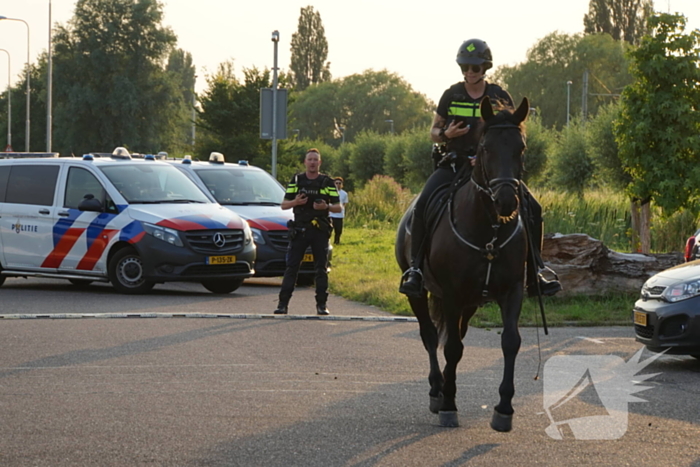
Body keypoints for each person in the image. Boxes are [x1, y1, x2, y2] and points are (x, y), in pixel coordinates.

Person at [399, 38, 562, 299]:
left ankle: (536, 271)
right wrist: (445, 133)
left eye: (475, 68)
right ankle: (416, 270)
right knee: (422, 204)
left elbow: (510, 133)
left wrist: (488, 159)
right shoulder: (451, 95)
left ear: (485, 67)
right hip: (454, 164)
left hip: (493, 170)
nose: (469, 73)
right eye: (465, 67)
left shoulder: (499, 95)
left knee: (533, 207)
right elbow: (433, 131)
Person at [274, 149, 341, 315]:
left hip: (319, 230)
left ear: (320, 163)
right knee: (292, 267)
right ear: (305, 162)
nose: (312, 162)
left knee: (321, 269)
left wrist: (326, 207)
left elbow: (338, 207)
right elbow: (283, 205)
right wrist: (296, 201)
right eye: (309, 159)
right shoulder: (297, 180)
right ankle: (282, 305)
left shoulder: (327, 182)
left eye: (315, 160)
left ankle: (321, 305)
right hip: (300, 230)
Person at [329, 177, 349, 245]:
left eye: (339, 183)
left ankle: (336, 242)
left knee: (338, 230)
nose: (338, 184)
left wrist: (339, 209)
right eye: (336, 183)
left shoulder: (344, 194)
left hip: (339, 215)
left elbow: (344, 204)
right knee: (328, 230)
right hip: (330, 214)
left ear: (342, 184)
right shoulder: (330, 192)